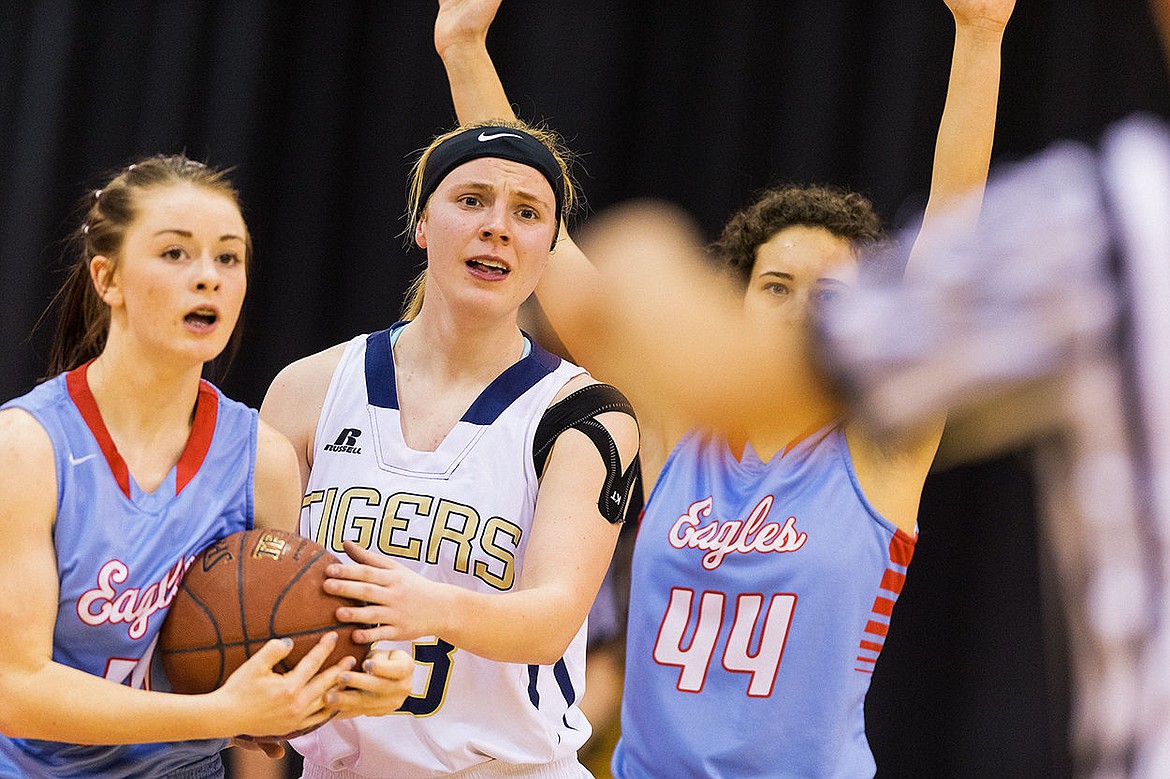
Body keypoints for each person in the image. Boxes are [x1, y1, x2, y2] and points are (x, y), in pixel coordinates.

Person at [434, 0, 1014, 775]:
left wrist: (981, 35)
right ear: (732, 308)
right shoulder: (677, 425)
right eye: (776, 286)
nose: (803, 312)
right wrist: (462, 44)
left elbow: (952, 236)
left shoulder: (883, 446)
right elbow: (550, 240)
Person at [259, 119, 641, 778]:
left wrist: (426, 606)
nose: (497, 226)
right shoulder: (306, 390)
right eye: (471, 200)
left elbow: (552, 618)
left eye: (527, 212)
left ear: (549, 250)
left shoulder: (586, 414)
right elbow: (257, 586)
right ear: (423, 225)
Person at [0, 155, 388, 778]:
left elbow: (265, 679)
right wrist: (217, 712)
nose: (207, 277)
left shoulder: (261, 456)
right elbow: (15, 693)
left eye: (228, 257)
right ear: (108, 279)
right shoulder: (29, 446)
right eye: (175, 254)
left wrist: (356, 679)